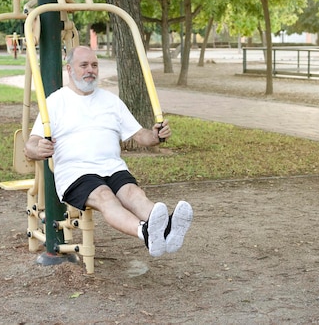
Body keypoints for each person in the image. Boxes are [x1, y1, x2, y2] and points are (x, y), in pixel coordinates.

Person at [24, 46, 193, 257]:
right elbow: (30, 145)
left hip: (112, 167)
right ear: (69, 69)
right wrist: (38, 148)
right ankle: (146, 231)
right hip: (76, 173)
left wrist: (156, 136)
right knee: (105, 197)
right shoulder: (55, 102)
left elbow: (141, 136)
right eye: (83, 65)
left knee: (133, 193)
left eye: (94, 65)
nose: (90, 70)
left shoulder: (111, 101)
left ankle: (167, 229)